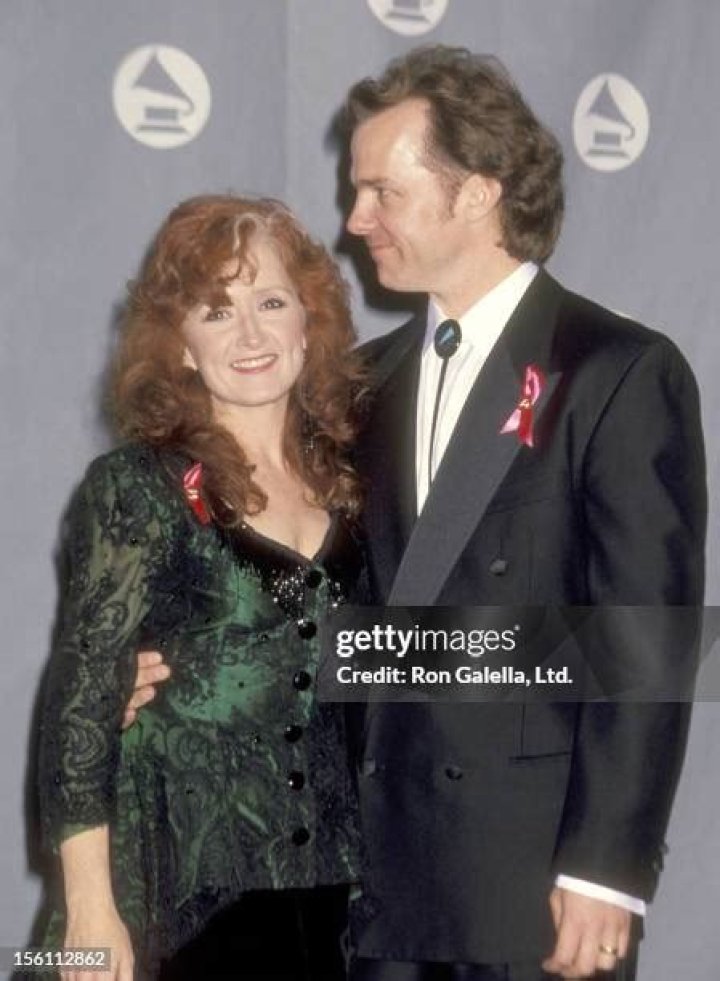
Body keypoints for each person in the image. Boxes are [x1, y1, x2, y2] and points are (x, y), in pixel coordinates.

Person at [127, 46, 706, 981]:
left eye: (382, 193)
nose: (355, 220)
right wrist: (177, 667)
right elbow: (322, 611)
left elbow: (645, 636)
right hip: (373, 884)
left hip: (531, 887)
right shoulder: (363, 385)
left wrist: (607, 867)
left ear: (477, 193)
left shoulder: (616, 371)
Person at [38, 194, 367, 981]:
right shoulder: (137, 487)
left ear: (308, 324)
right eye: (217, 311)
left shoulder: (358, 484)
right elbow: (80, 712)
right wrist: (89, 911)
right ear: (181, 346)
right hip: (174, 903)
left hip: (334, 903)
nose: (250, 334)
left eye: (271, 302)